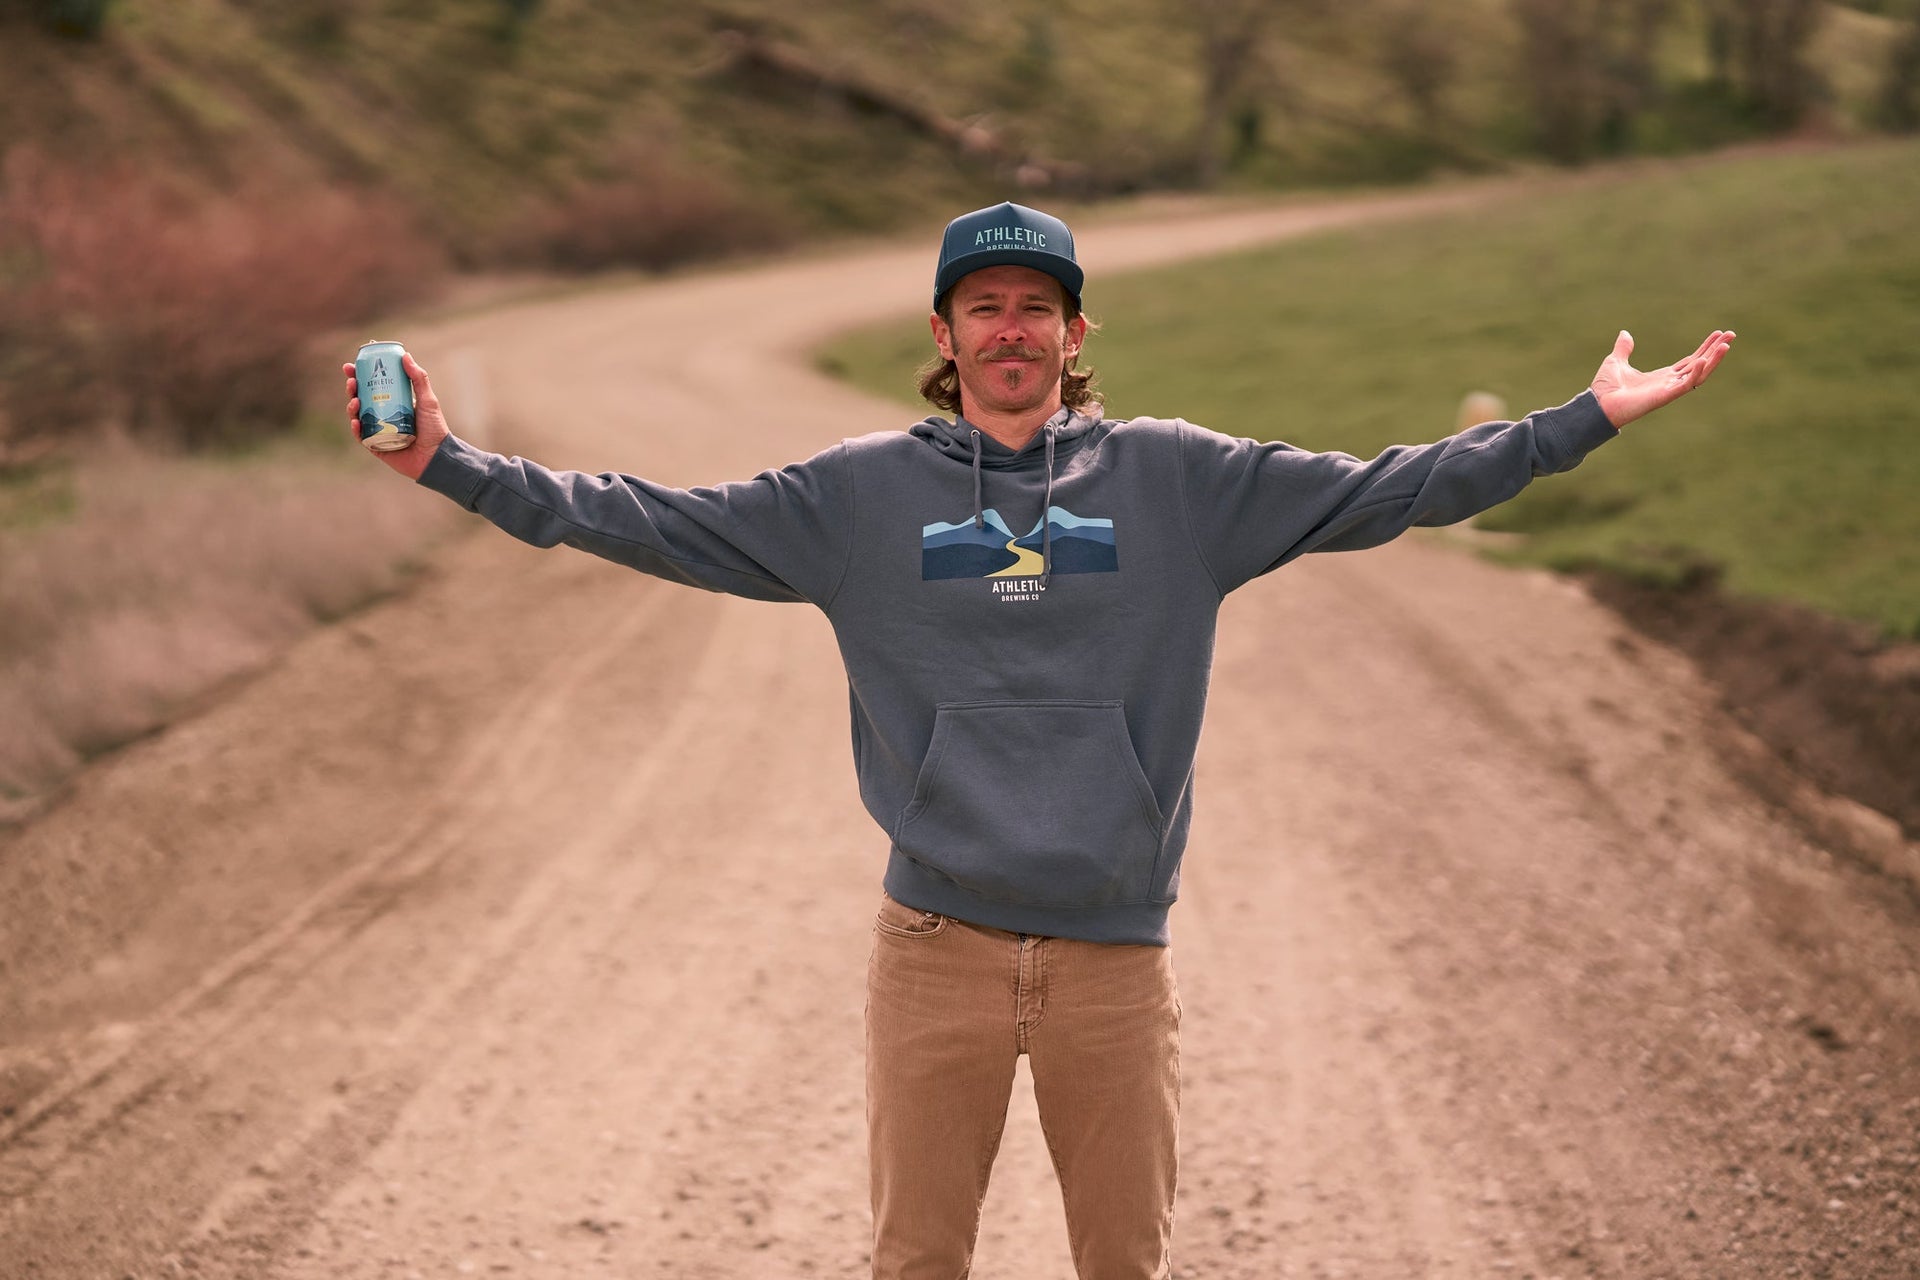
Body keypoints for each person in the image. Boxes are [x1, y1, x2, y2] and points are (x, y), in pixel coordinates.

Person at [343, 200, 1733, 1280]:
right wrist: (446, 465)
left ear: (1076, 335)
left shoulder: (1188, 483)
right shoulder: (852, 499)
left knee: (1123, 1264)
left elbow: (1396, 486)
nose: (1011, 330)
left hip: (1114, 962)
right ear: (944, 337)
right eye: (982, 308)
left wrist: (1577, 425)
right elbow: (630, 514)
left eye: (1037, 309)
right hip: (930, 953)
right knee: (914, 1262)